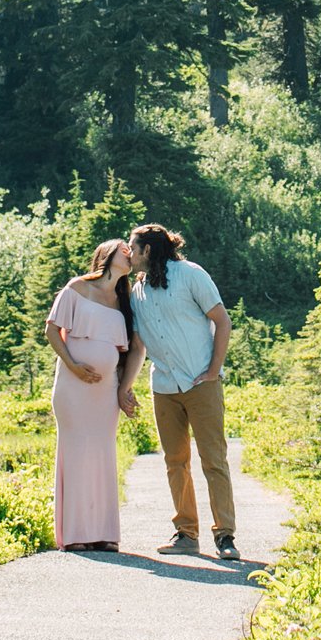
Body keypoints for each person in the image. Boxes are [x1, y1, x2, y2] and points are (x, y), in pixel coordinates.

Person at [117, 222, 236, 560]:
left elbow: (222, 320)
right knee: (175, 462)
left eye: (132, 247)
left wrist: (213, 371)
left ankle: (225, 535)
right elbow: (138, 346)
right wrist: (125, 388)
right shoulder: (137, 291)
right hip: (164, 386)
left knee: (213, 460)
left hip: (202, 383)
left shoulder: (191, 274)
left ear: (148, 251)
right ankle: (186, 534)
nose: (129, 252)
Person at [46, 238, 137, 551]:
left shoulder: (124, 301)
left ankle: (103, 533)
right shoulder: (77, 288)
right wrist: (73, 365)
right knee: (75, 453)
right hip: (73, 386)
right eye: (127, 250)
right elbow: (51, 330)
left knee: (101, 455)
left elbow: (126, 353)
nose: (132, 255)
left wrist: (124, 389)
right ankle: (74, 535)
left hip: (105, 390)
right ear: (110, 254)